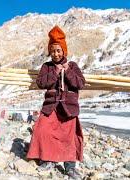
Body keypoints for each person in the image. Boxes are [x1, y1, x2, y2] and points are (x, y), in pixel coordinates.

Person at [26, 25, 86, 179]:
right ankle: (48, 160)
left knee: (69, 137)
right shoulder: (46, 67)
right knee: (43, 130)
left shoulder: (72, 66)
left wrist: (67, 70)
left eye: (58, 50)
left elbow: (80, 83)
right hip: (51, 106)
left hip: (69, 107)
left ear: (64, 51)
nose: (56, 53)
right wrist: (56, 72)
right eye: (53, 51)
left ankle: (70, 167)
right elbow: (41, 83)